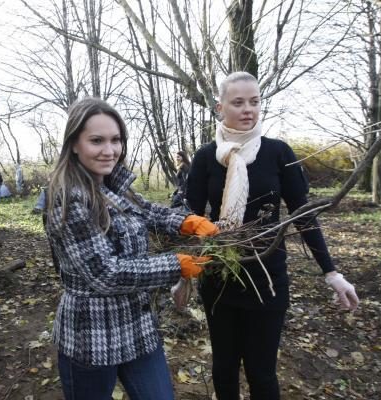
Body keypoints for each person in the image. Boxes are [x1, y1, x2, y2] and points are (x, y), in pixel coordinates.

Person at [186, 72, 359, 400]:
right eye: (238, 103)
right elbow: (190, 218)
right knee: (223, 368)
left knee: (261, 372)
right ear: (220, 107)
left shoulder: (279, 152)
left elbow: (303, 215)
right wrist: (182, 275)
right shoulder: (206, 156)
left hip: (268, 281)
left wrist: (331, 272)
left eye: (254, 101)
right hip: (218, 279)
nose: (248, 109)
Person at [45, 97, 218, 400]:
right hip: (92, 334)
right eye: (96, 141)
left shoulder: (112, 184)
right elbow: (104, 274)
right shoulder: (68, 197)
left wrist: (187, 221)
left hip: (137, 327)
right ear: (74, 144)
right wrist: (175, 265)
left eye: (116, 140)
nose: (109, 150)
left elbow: (147, 211)